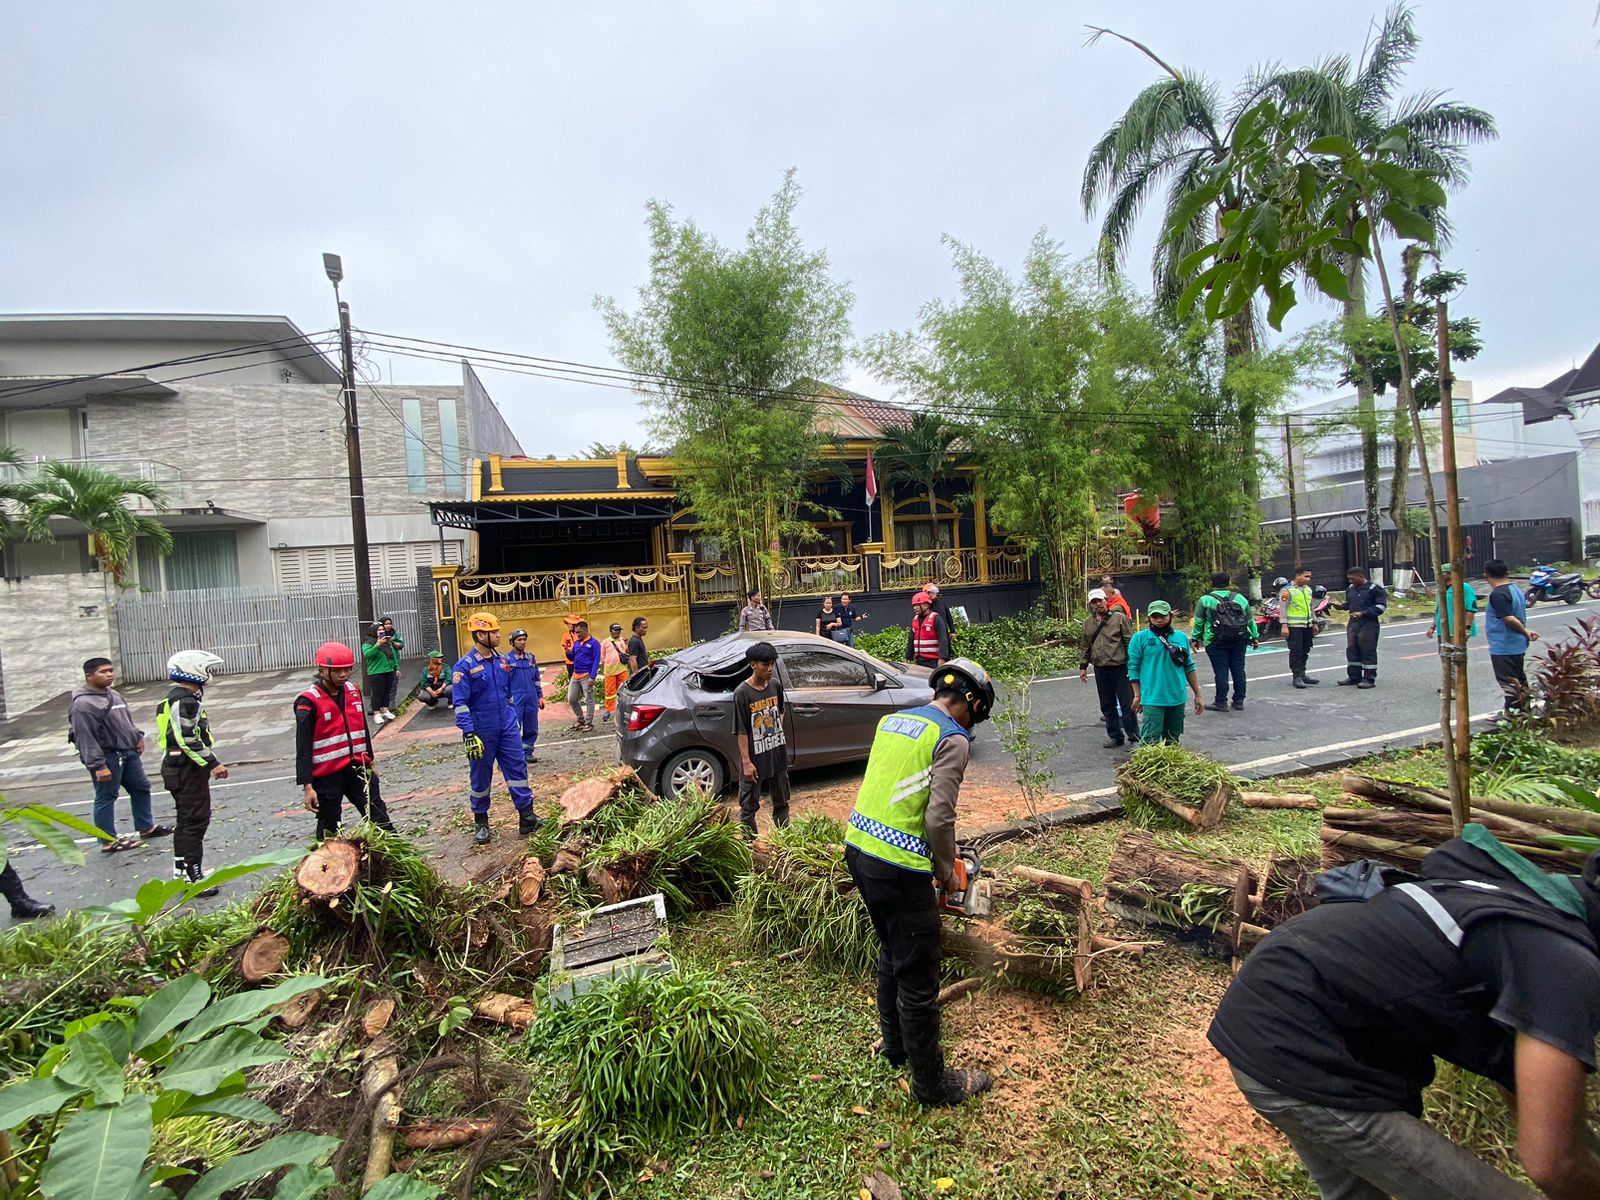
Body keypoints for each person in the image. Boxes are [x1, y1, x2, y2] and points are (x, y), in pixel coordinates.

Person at [1209, 830, 1600, 1199]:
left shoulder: (1534, 900)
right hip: (1297, 1043)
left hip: (1276, 1007)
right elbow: (1554, 1165)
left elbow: (1521, 1083)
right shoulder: (1565, 965)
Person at [844, 658, 997, 1107]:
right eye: (976, 713)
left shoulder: (894, 721)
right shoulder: (952, 737)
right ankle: (932, 1084)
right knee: (919, 972)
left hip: (859, 849)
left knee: (892, 949)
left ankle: (894, 1045)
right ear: (971, 702)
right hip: (897, 867)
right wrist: (947, 869)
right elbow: (938, 816)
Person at [451, 612, 542, 845]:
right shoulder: (465, 666)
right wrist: (469, 733)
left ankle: (527, 817)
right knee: (481, 776)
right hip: (481, 730)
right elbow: (460, 704)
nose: (499, 635)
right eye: (494, 632)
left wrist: (512, 719)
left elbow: (507, 693)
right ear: (480, 634)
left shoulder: (503, 661)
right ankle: (481, 821)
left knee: (518, 769)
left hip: (507, 727)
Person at [294, 641, 394, 841]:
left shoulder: (353, 691)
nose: (343, 675)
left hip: (357, 767)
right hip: (327, 775)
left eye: (347, 669)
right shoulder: (308, 701)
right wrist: (307, 786)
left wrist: (370, 760)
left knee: (378, 816)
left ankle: (398, 864)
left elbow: (363, 729)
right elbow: (303, 746)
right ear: (322, 670)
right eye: (337, 671)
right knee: (329, 826)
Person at [70, 657, 169, 853]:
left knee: (141, 787)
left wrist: (137, 736)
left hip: (128, 752)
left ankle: (146, 827)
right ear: (89, 676)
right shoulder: (83, 705)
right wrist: (98, 765)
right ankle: (108, 840)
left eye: (110, 670)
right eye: (103, 672)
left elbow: (124, 721)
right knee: (106, 796)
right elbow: (85, 737)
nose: (109, 675)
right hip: (108, 756)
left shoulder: (113, 694)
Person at [155, 650, 228, 896]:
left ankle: (181, 872)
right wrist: (213, 763)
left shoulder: (174, 698)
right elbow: (187, 739)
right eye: (205, 669)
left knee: (185, 822)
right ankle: (192, 876)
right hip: (186, 769)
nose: (208, 675)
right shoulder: (185, 701)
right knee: (195, 822)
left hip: (177, 768)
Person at [733, 641, 791, 837]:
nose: (770, 669)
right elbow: (741, 730)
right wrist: (746, 762)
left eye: (772, 663)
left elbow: (781, 711)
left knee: (782, 801)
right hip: (754, 759)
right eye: (765, 664)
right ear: (753, 665)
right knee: (749, 807)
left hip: (776, 753)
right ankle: (751, 846)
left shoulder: (775, 685)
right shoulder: (742, 693)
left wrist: (775, 729)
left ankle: (784, 841)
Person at [1127, 600, 1204, 744]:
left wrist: (1198, 695)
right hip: (1152, 698)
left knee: (1173, 740)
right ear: (1149, 618)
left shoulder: (1180, 637)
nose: (1159, 620)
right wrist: (1137, 695)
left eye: (1163, 616)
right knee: (1150, 741)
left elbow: (1189, 667)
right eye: (1154, 616)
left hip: (1177, 697)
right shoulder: (1139, 638)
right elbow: (1133, 667)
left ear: (1170, 616)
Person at [1078, 588, 1140, 748]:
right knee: (1107, 703)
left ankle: (1133, 735)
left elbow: (1129, 643)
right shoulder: (1088, 623)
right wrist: (1083, 666)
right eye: (1094, 602)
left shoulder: (1120, 619)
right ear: (1090, 605)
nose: (1098, 604)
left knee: (1127, 703)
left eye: (1100, 600)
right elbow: (1085, 646)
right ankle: (1115, 736)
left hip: (1120, 667)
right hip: (1100, 668)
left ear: (1106, 600)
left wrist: (1133, 665)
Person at [1192, 571, 1257, 712]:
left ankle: (1221, 701)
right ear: (1229, 583)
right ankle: (1239, 700)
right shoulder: (1240, 598)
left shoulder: (1206, 600)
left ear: (1212, 583)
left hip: (1215, 640)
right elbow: (1249, 620)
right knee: (1238, 669)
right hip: (1239, 638)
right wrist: (1254, 637)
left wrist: (1195, 639)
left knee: (1221, 671)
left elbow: (1199, 621)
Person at [1485, 558, 1539, 717]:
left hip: (1504, 645)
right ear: (1506, 573)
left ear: (1486, 576)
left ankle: (1513, 715)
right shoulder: (1515, 590)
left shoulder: (1497, 595)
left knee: (1509, 683)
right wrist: (1525, 632)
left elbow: (1509, 619)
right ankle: (1524, 711)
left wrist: (1524, 632)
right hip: (1516, 644)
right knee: (1518, 679)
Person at [1339, 566, 1388, 689]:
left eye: (1353, 579)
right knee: (1352, 649)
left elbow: (1381, 607)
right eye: (1349, 579)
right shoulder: (1351, 589)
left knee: (1367, 650)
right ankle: (1354, 677)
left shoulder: (1375, 589)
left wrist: (1363, 613)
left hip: (1368, 624)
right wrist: (1341, 607)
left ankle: (1369, 679)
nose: (1351, 581)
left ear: (1361, 577)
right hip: (1353, 623)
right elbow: (1350, 603)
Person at [1279, 569, 1321, 690]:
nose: (1308, 579)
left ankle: (1302, 674)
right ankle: (1296, 676)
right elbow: (1283, 609)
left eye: (1309, 577)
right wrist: (1284, 625)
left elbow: (1310, 607)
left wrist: (1314, 622)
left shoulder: (1308, 589)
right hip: (1294, 625)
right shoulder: (1287, 590)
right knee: (1296, 651)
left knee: (1305, 650)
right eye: (1306, 576)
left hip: (1307, 625)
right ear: (1298, 576)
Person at [506, 629, 544, 758]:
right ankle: (514, 755)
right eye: (519, 640)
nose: (522, 642)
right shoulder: (506, 660)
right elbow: (503, 681)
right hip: (516, 698)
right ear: (512, 642)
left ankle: (528, 752)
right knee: (514, 727)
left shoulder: (531, 658)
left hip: (531, 697)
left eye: (524, 639)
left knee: (531, 726)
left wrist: (540, 696)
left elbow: (536, 679)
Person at [1426, 562, 1480, 646]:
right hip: (1442, 631)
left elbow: (1471, 608)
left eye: (1441, 573)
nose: (1437, 575)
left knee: (1456, 655)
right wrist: (1432, 627)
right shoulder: (1441, 589)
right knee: (1444, 654)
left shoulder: (1463, 587)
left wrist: (1467, 628)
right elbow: (1438, 610)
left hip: (1456, 631)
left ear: (1450, 574)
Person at [361, 621, 402, 725]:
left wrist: (396, 668)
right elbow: (368, 655)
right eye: (379, 630)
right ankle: (376, 713)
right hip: (376, 672)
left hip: (389, 670)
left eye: (382, 630)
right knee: (377, 693)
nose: (381, 631)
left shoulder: (387, 643)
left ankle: (385, 709)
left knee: (386, 691)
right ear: (374, 631)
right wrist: (377, 645)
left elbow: (393, 656)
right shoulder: (368, 643)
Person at [567, 620, 601, 732]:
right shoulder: (577, 643)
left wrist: (593, 676)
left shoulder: (594, 643)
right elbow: (572, 658)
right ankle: (580, 719)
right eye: (576, 632)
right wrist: (568, 653)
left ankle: (589, 723)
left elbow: (596, 660)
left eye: (579, 632)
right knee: (571, 698)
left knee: (589, 699)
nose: (577, 634)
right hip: (575, 675)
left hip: (586, 675)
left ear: (586, 630)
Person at [906, 591, 951, 668]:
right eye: (914, 605)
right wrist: (908, 657)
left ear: (926, 605)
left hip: (934, 661)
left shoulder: (936, 619)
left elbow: (943, 639)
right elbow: (911, 639)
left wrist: (942, 658)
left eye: (917, 605)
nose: (914, 608)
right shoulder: (915, 619)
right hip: (920, 660)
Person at [601, 623, 630, 722]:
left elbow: (626, 653)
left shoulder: (622, 641)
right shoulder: (605, 642)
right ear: (611, 631)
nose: (617, 632)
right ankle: (608, 710)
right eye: (615, 630)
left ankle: (624, 708)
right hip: (610, 671)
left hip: (622, 669)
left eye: (619, 630)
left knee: (624, 689)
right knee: (610, 691)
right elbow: (602, 656)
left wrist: (627, 645)